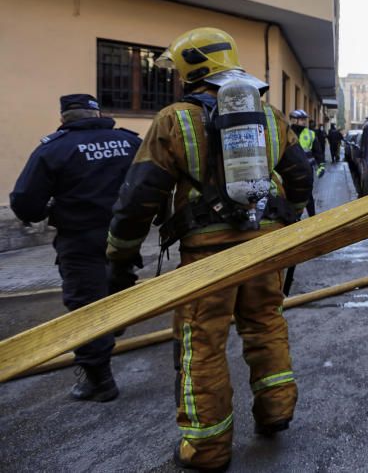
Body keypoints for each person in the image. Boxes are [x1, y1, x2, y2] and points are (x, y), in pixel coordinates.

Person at [105, 27, 314, 472]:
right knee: (265, 325)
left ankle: (207, 448)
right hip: (264, 248)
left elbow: (138, 198)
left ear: (191, 67)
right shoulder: (271, 116)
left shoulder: (174, 120)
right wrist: (287, 221)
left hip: (208, 257)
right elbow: (300, 177)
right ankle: (276, 410)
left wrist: (120, 258)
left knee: (201, 344)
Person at [9, 93, 141, 402]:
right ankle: (114, 327)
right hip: (125, 237)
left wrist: (45, 211)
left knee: (86, 308)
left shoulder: (53, 149)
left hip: (80, 241)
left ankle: (100, 382)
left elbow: (25, 203)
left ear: (63, 119)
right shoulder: (130, 142)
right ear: (97, 114)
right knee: (117, 289)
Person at [290, 109, 321, 215]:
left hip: (307, 170)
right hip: (291, 170)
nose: (304, 122)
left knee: (307, 195)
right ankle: (294, 218)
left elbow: (318, 152)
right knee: (291, 195)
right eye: (302, 119)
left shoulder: (310, 133)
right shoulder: (286, 133)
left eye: (304, 120)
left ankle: (313, 218)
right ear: (294, 120)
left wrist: (321, 166)